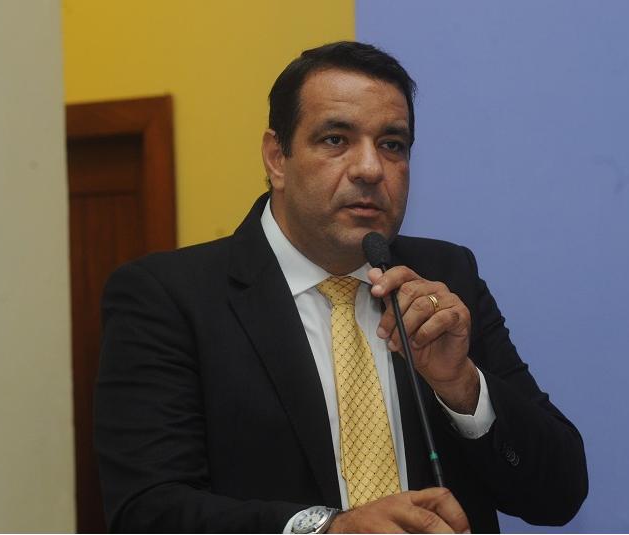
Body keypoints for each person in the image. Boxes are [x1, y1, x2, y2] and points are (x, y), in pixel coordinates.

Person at [95, 41, 587, 533]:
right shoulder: (168, 297)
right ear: (277, 158)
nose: (370, 169)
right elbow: (147, 512)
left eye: (392, 145)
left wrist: (461, 386)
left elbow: (560, 493)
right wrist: (329, 529)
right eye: (335, 139)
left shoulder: (446, 276)